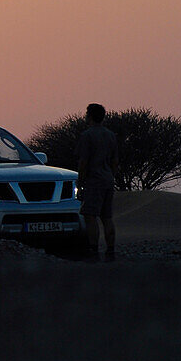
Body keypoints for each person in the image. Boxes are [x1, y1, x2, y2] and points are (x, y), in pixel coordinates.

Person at [75, 103, 119, 261]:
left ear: (90, 116)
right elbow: (115, 161)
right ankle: (111, 250)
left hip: (94, 180)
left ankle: (93, 249)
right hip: (108, 179)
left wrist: (80, 183)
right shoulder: (111, 135)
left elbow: (83, 161)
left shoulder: (87, 135)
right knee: (107, 217)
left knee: (90, 215)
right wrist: (111, 176)